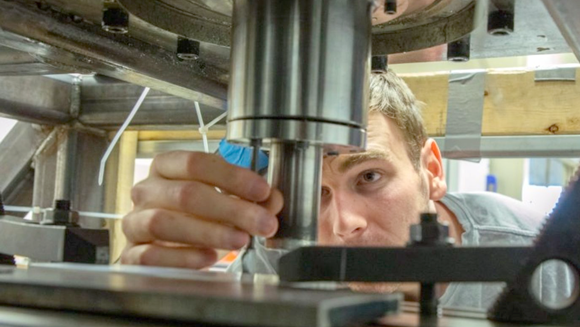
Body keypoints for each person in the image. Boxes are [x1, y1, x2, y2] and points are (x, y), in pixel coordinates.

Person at [121, 70, 573, 310]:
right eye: (315, 193)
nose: (343, 224)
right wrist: (143, 293)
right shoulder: (273, 258)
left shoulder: (539, 260)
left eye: (370, 177)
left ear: (431, 169)